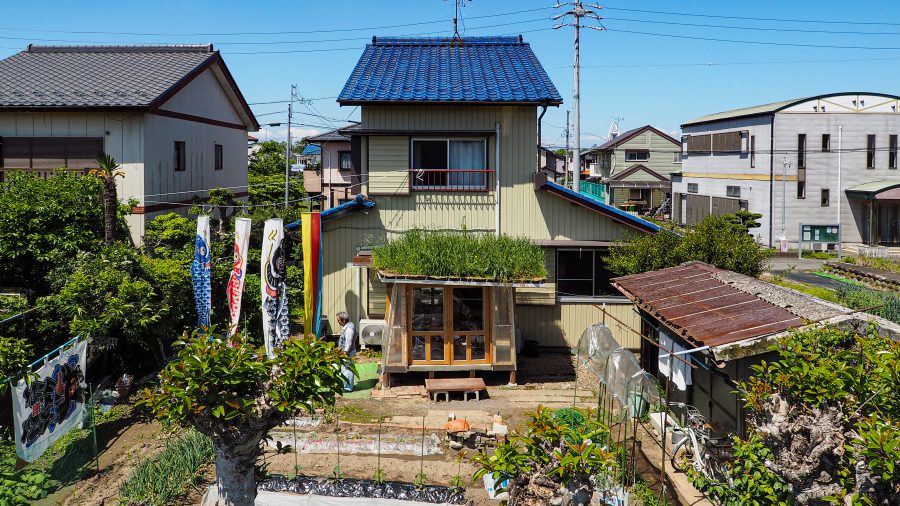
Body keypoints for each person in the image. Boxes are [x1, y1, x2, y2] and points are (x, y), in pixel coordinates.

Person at [336, 312, 357, 392]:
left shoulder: (348, 329)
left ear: (343, 320)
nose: (338, 322)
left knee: (348, 369)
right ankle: (346, 385)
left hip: (348, 352)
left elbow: (348, 342)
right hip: (348, 351)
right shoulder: (349, 325)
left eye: (338, 320)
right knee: (345, 369)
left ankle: (348, 388)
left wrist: (345, 352)